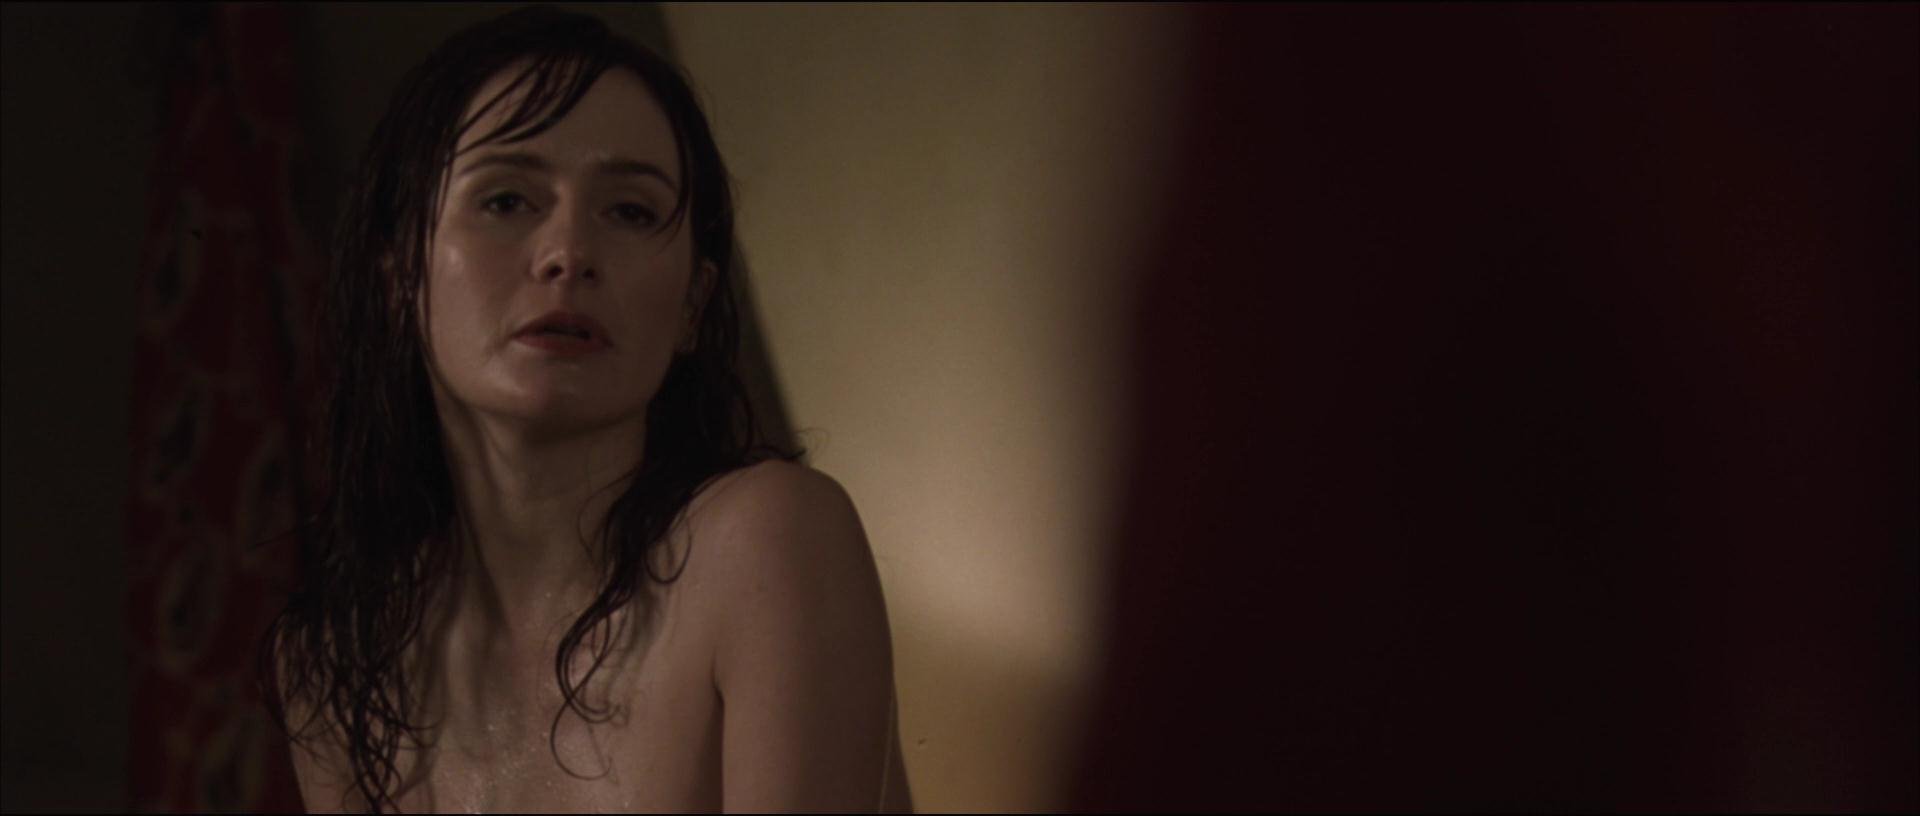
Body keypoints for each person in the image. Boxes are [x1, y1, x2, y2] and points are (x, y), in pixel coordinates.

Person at [258, 7, 912, 812]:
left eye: (630, 211)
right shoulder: (334, 659)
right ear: (399, 279)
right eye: (506, 200)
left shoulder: (763, 541)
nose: (568, 252)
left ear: (693, 303)